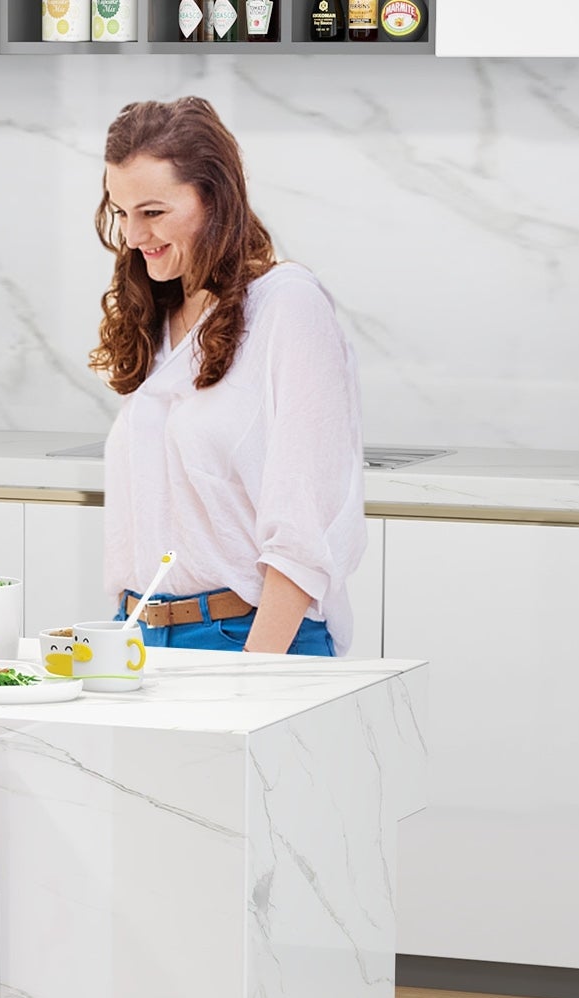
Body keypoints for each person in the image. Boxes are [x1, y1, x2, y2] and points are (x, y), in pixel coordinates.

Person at [90, 97, 368, 656]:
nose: (135, 235)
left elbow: (304, 523)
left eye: (153, 211)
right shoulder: (159, 318)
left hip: (248, 638)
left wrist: (253, 673)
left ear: (213, 198)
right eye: (121, 213)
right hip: (143, 640)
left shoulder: (287, 305)